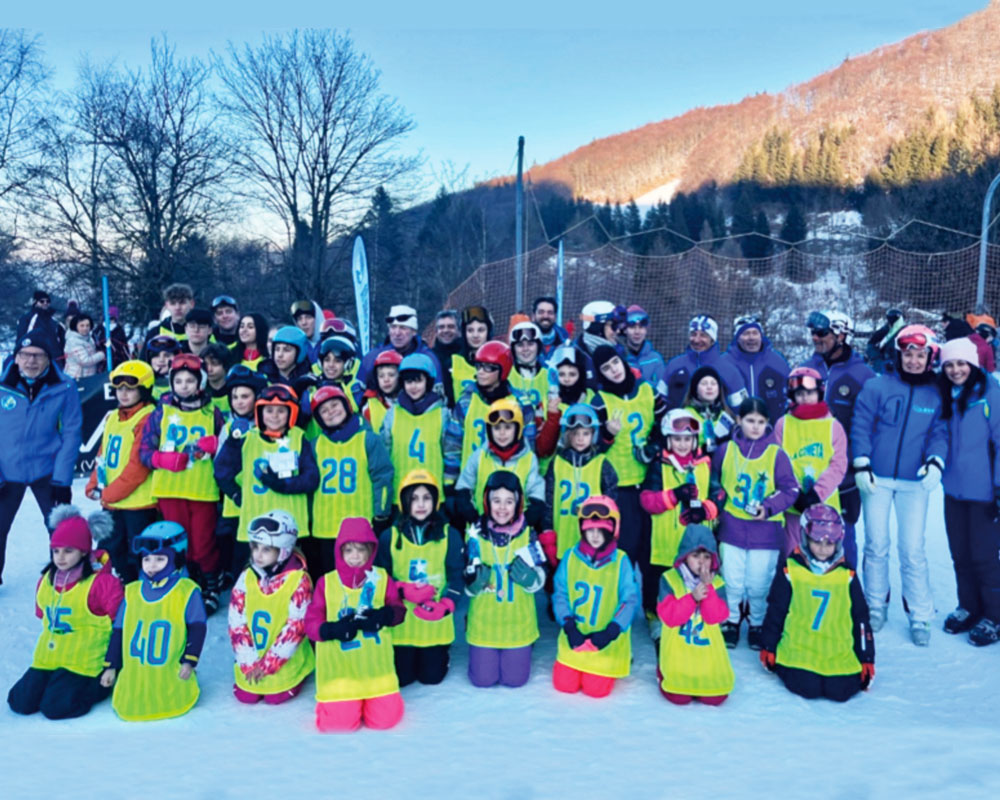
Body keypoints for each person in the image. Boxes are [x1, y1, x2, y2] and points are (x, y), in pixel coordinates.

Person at [851, 324, 946, 646]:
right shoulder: (878, 387)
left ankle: (920, 613)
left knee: (912, 549)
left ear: (930, 357)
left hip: (913, 482)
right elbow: (861, 424)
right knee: (876, 544)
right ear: (899, 355)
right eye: (909, 355)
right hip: (877, 477)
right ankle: (876, 604)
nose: (914, 361)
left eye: (921, 355)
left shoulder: (935, 393)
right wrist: (861, 461)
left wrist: (935, 460)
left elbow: (939, 433)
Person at [7, 506, 121, 719]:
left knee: (55, 708)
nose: (60, 557)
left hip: (85, 662)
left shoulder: (102, 583)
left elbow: (121, 625)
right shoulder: (46, 580)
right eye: (56, 550)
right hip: (50, 658)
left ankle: (100, 686)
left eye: (69, 551)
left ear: (84, 551)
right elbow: (43, 615)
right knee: (19, 702)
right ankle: (55, 682)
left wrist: (112, 665)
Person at [760, 504, 875, 703]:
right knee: (807, 688)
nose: (823, 549)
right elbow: (776, 609)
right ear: (805, 538)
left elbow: (861, 618)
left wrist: (866, 657)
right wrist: (769, 645)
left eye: (829, 543)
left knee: (840, 691)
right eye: (817, 542)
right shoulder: (791, 569)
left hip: (838, 653)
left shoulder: (846, 574)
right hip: (799, 651)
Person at [139, 353, 226, 613]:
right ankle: (180, 584)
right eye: (179, 381)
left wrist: (217, 445)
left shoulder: (213, 412)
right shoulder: (160, 412)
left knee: (202, 544)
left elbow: (232, 449)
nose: (184, 385)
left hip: (202, 491)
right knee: (176, 542)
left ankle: (210, 585)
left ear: (199, 382)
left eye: (190, 380)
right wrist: (161, 459)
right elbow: (144, 452)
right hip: (170, 490)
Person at [305, 517, 406, 732]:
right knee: (337, 725)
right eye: (348, 550)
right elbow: (311, 624)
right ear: (339, 552)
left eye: (361, 550)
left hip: (377, 672)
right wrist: (331, 629)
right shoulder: (326, 582)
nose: (355, 556)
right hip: (339, 674)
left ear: (371, 551)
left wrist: (383, 616)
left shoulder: (381, 578)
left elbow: (399, 611)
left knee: (385, 721)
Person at [713, 397, 798, 650]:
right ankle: (731, 620)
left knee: (759, 582)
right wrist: (714, 508)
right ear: (739, 420)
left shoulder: (776, 454)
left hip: (766, 531)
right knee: (732, 579)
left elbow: (790, 489)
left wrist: (769, 507)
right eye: (750, 420)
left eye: (761, 422)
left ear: (767, 424)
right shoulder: (725, 450)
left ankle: (757, 622)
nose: (755, 426)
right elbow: (714, 482)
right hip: (732, 528)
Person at [0, 330, 82, 584]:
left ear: (49, 359)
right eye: (24, 355)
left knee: (60, 530)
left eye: (38, 355)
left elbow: (71, 432)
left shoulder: (65, 386)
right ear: (16, 358)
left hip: (47, 469)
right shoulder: (3, 385)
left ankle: (64, 576)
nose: (31, 361)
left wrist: (62, 479)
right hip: (7, 470)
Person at [214, 384, 319, 580]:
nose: (275, 416)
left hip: (290, 525)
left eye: (281, 411)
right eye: (269, 410)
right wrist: (237, 495)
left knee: (291, 578)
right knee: (249, 579)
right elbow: (222, 470)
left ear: (291, 413)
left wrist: (284, 485)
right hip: (254, 524)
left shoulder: (299, 437)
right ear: (259, 412)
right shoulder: (246, 438)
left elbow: (311, 478)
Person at [104, 522, 206, 721]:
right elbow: (119, 631)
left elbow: (197, 628)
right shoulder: (132, 592)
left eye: (160, 559)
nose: (151, 566)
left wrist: (189, 661)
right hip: (134, 683)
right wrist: (111, 665)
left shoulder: (187, 591)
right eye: (146, 559)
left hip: (170, 681)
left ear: (176, 558)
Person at [937, 337, 1000, 645]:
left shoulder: (990, 394)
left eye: (961, 363)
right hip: (954, 491)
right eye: (949, 364)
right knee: (960, 553)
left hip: (985, 492)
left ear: (973, 364)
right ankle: (969, 606)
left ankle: (994, 615)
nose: (955, 370)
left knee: (984, 556)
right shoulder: (946, 394)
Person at [376, 470, 464, 687]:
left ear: (435, 501)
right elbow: (379, 578)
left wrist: (446, 605)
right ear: (404, 502)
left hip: (434, 626)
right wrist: (401, 589)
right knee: (403, 679)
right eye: (414, 498)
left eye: (427, 498)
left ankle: (443, 652)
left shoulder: (449, 535)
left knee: (431, 678)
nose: (421, 504)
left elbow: (457, 576)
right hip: (402, 627)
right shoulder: (390, 536)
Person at [803, 310, 875, 567]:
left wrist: (858, 462)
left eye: (822, 333)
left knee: (843, 535)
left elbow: (869, 425)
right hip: (808, 467)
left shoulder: (863, 375)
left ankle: (848, 591)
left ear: (842, 335)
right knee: (806, 533)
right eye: (813, 332)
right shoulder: (806, 368)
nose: (815, 338)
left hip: (844, 473)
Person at [464, 471, 545, 688]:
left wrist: (530, 579)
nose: (502, 507)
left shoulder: (528, 533)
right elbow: (465, 580)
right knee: (483, 680)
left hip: (517, 625)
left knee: (515, 680)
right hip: (484, 625)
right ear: (487, 502)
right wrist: (473, 584)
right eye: (496, 500)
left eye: (509, 501)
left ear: (518, 504)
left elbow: (541, 577)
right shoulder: (474, 534)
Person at [640, 409, 722, 622]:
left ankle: (697, 613)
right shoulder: (660, 465)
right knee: (661, 582)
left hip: (697, 542)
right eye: (677, 439)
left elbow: (718, 495)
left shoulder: (705, 463)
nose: (683, 444)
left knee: (696, 578)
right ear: (668, 439)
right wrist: (674, 495)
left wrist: (705, 510)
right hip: (665, 542)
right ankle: (656, 616)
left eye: (688, 439)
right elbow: (647, 500)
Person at [552, 496, 638, 699]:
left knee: (595, 690)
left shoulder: (621, 561)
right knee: (564, 685)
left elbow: (630, 599)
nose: (595, 536)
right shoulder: (571, 557)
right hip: (575, 637)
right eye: (590, 530)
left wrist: (611, 631)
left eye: (601, 530)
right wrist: (569, 626)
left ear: (612, 530)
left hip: (605, 640)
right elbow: (560, 593)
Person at [229, 511, 314, 705]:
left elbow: (295, 628)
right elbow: (236, 621)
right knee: (246, 696)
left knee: (275, 697)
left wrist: (268, 665)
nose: (258, 555)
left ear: (283, 550)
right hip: (253, 655)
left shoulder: (298, 580)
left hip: (285, 656)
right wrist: (248, 662)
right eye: (255, 547)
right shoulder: (247, 576)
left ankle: (300, 671)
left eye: (267, 549)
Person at [84, 361, 158, 582]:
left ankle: (139, 591)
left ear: (143, 389)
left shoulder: (147, 417)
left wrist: (109, 494)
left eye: (130, 388)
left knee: (137, 552)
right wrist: (94, 482)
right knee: (109, 550)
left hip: (138, 503)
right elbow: (103, 454)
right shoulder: (114, 416)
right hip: (113, 501)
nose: (123, 394)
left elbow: (138, 468)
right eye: (120, 389)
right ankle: (109, 589)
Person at [591, 344, 666, 563]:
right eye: (606, 368)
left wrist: (652, 446)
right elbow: (592, 448)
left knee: (651, 554)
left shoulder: (648, 391)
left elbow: (664, 428)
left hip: (650, 482)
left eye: (615, 362)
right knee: (626, 551)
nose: (614, 370)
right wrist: (607, 433)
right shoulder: (599, 401)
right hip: (619, 487)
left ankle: (651, 598)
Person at [308, 386, 394, 577]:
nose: (331, 412)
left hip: (360, 525)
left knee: (362, 578)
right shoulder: (315, 445)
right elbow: (308, 487)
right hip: (326, 528)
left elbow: (382, 477)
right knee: (331, 580)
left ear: (346, 405)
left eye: (334, 405)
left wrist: (381, 514)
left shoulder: (368, 439)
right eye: (324, 410)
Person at [655, 524, 734, 706]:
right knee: (678, 697)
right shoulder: (669, 579)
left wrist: (709, 590)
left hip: (706, 652)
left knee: (715, 697)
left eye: (706, 557)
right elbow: (669, 617)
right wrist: (692, 599)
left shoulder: (718, 583)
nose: (701, 562)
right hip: (678, 650)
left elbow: (715, 617)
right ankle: (662, 670)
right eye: (695, 556)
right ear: (685, 557)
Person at [773, 367, 848, 556]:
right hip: (793, 504)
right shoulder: (783, 424)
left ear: (819, 393)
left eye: (810, 393)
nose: (805, 398)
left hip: (825, 508)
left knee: (823, 554)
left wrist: (816, 494)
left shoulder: (833, 426)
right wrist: (794, 493)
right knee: (793, 553)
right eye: (800, 394)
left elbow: (838, 465)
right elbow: (778, 461)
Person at [444, 341, 537, 489]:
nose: (480, 372)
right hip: (471, 483)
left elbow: (529, 448)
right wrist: (450, 483)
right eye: (479, 366)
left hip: (509, 487)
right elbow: (453, 444)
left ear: (503, 370)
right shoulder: (466, 401)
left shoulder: (521, 404)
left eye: (488, 368)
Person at [541, 404, 618, 564]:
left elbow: (612, 502)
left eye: (585, 433)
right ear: (567, 435)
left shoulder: (601, 463)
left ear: (593, 435)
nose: (580, 438)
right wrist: (548, 533)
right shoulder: (556, 463)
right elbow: (548, 501)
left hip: (593, 538)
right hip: (563, 534)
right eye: (575, 433)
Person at [454, 396, 545, 528]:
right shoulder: (479, 456)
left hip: (517, 536)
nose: (502, 433)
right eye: (496, 428)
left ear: (518, 429)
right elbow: (464, 488)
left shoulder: (529, 459)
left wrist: (523, 524)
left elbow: (536, 497)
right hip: (482, 532)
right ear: (490, 431)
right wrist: (474, 518)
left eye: (507, 428)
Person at [213, 365, 268, 583]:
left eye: (245, 396)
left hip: (261, 497)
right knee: (239, 550)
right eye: (235, 396)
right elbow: (220, 467)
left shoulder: (266, 424)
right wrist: (234, 493)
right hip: (236, 500)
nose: (239, 401)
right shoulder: (229, 428)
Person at [381, 353, 448, 505]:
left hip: (433, 495)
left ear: (428, 382)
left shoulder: (442, 415)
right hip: (400, 495)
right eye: (408, 381)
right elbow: (385, 450)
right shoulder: (392, 414)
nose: (413, 387)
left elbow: (448, 452)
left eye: (418, 381)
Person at [663, 314, 747, 410]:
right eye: (693, 334)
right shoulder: (674, 365)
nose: (697, 340)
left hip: (715, 424)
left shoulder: (729, 371)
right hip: (678, 423)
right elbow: (660, 400)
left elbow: (742, 409)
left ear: (712, 339)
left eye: (703, 335)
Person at [719, 315, 790, 423]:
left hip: (771, 432)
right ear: (737, 337)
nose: (751, 337)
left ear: (761, 336)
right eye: (746, 333)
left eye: (755, 333)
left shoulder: (778, 362)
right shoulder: (724, 363)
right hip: (734, 431)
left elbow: (789, 396)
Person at [357, 304, 442, 390]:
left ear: (413, 332)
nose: (397, 333)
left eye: (403, 328)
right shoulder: (373, 357)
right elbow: (357, 391)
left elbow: (437, 395)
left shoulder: (428, 359)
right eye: (393, 327)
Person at [445, 305, 493, 407]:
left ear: (488, 331)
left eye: (481, 330)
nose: (475, 335)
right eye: (470, 330)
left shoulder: (497, 361)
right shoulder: (453, 362)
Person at [683, 366, 736, 454]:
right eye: (704, 383)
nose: (709, 387)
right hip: (698, 463)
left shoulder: (727, 416)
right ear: (695, 388)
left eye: (714, 383)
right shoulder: (685, 415)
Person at [508, 320, 550, 419]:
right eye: (520, 345)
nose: (525, 349)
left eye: (530, 344)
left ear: (538, 346)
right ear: (513, 349)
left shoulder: (549, 375)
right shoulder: (507, 375)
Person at [316, 335, 365, 411]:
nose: (331, 365)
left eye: (337, 361)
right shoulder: (312, 387)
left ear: (347, 364)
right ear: (320, 363)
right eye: (327, 360)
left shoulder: (355, 390)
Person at [623, 305, 667, 388]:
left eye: (641, 327)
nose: (637, 332)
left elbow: (661, 387)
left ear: (646, 330)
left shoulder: (655, 358)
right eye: (632, 327)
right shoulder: (619, 357)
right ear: (625, 330)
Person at [361, 349, 401, 434]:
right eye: (381, 376)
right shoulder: (369, 406)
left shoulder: (410, 401)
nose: (386, 380)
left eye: (391, 375)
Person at [17, 290, 66, 358]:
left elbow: (61, 338)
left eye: (48, 301)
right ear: (35, 302)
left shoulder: (54, 320)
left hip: (55, 357)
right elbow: (22, 338)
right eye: (42, 301)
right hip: (36, 357)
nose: (45, 303)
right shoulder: (28, 319)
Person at [431, 310, 462, 403]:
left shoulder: (467, 354)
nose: (445, 330)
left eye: (451, 326)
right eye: (441, 327)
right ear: (436, 331)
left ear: (458, 329)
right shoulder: (430, 357)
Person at [63, 312, 106, 379]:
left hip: (87, 376)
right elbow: (85, 361)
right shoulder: (73, 341)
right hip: (77, 376)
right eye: (82, 326)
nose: (85, 328)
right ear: (76, 326)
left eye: (87, 325)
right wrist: (102, 355)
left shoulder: (89, 339)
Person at [143, 334, 181, 400]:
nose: (161, 360)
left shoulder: (184, 383)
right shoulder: (142, 383)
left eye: (167, 355)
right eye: (156, 355)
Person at [532, 296, 569, 361]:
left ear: (555, 317)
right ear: (534, 316)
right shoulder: (524, 341)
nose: (545, 316)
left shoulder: (565, 342)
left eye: (550, 313)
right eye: (541, 312)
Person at [201, 343, 233, 418]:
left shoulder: (235, 390)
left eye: (214, 364)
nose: (209, 369)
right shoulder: (200, 391)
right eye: (206, 365)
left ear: (225, 365)